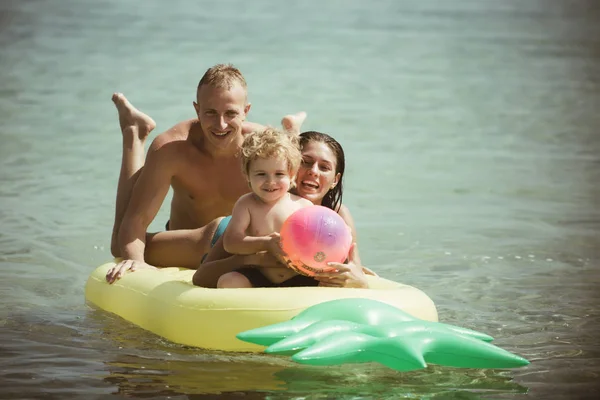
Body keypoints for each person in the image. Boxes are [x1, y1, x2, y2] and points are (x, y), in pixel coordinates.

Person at [106, 63, 305, 283]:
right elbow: (137, 220)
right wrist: (136, 263)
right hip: (189, 242)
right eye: (210, 113)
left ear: (246, 111)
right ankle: (133, 133)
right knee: (120, 244)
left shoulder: (260, 147)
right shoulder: (172, 148)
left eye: (230, 113)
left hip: (240, 242)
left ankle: (293, 133)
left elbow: (294, 197)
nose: (220, 124)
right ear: (196, 109)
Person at [193, 131, 375, 289]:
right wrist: (254, 257)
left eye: (324, 167)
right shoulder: (252, 203)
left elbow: (354, 271)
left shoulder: (336, 215)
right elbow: (202, 276)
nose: (313, 171)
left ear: (335, 179)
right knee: (168, 248)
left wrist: (354, 275)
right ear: (294, 168)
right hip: (222, 230)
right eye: (306, 161)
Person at [220, 127, 315, 288]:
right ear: (247, 175)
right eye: (261, 174)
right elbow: (231, 242)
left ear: (292, 174)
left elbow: (317, 244)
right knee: (228, 281)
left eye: (279, 174)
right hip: (258, 274)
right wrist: (265, 243)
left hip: (298, 275)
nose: (270, 182)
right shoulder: (247, 204)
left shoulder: (303, 206)